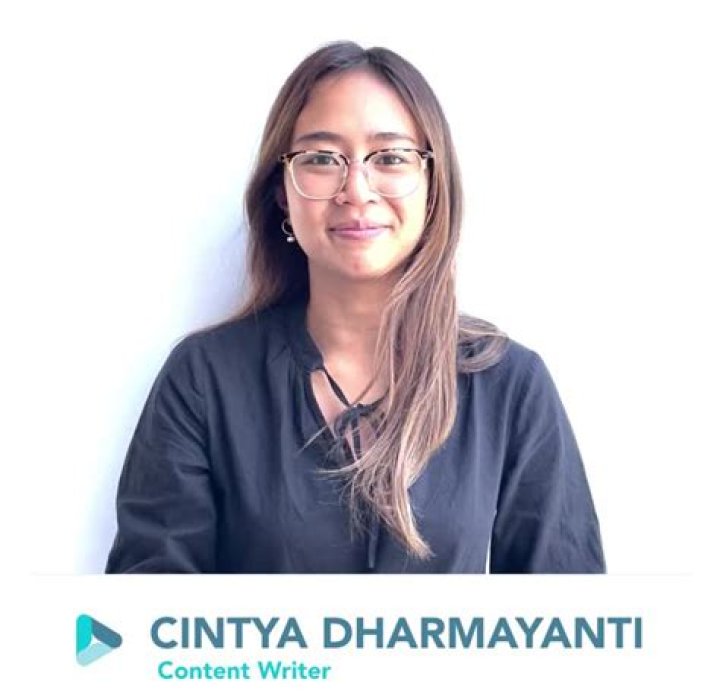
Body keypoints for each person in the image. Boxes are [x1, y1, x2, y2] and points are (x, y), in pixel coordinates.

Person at [105, 41, 605, 573]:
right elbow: (147, 611)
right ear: (282, 192)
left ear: (433, 189)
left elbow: (565, 610)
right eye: (322, 159)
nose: (357, 190)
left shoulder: (509, 384)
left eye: (390, 157)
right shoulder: (204, 379)